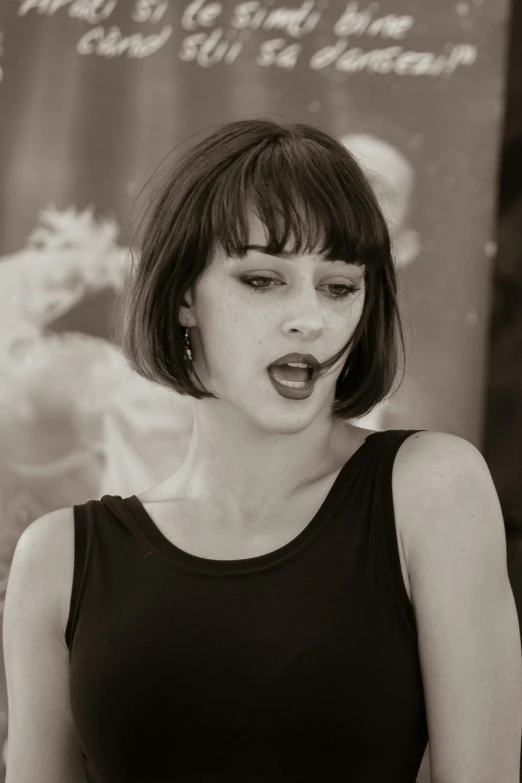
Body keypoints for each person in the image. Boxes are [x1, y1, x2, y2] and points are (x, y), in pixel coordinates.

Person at [3, 117, 521, 783]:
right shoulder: (58, 557)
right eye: (262, 279)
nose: (310, 317)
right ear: (185, 295)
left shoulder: (431, 491)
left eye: (339, 286)